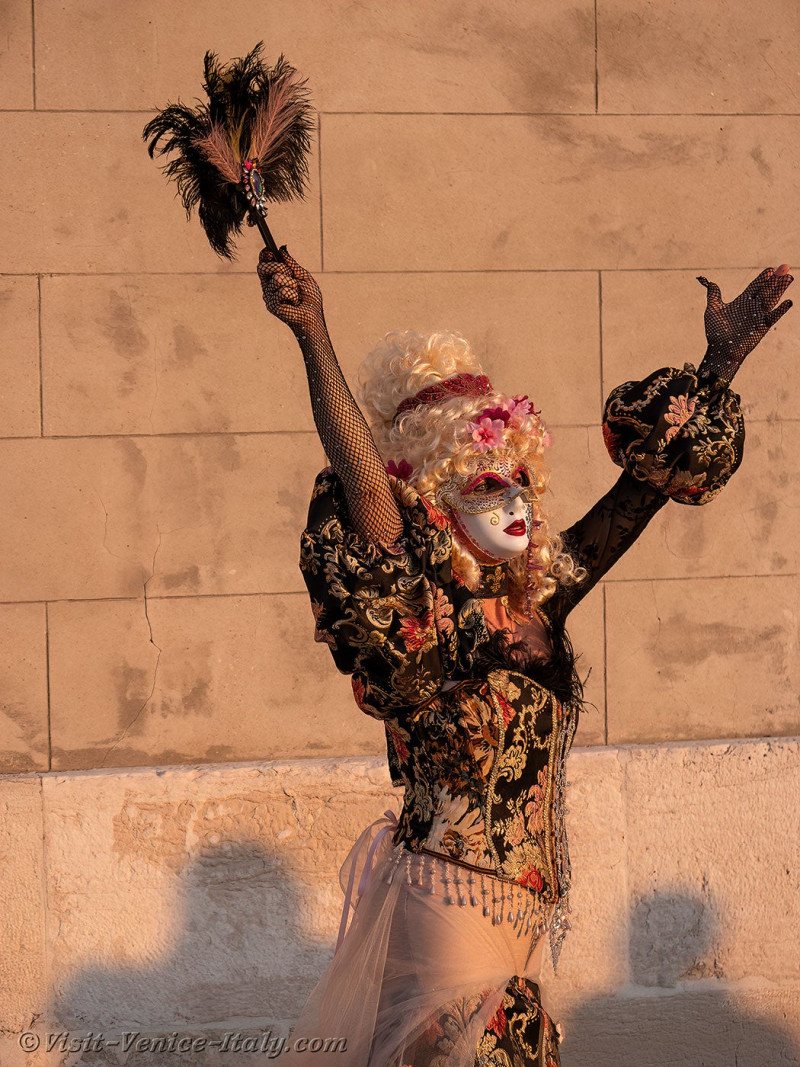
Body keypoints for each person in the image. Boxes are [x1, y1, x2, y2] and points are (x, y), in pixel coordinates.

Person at [257, 248, 792, 1067]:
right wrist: (312, 331)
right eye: (483, 486)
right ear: (436, 496)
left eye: (518, 482)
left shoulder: (536, 601)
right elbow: (365, 484)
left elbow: (641, 493)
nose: (511, 502)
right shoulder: (430, 614)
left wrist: (719, 363)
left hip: (524, 913)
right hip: (448, 896)